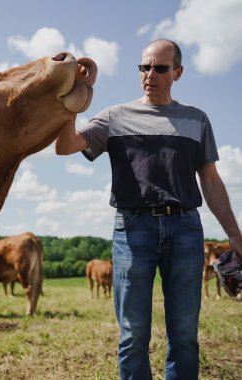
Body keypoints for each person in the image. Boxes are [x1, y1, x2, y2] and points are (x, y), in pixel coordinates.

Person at [55, 39, 242, 380]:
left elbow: (211, 182)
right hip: (132, 230)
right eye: (144, 67)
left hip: (186, 230)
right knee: (132, 335)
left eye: (159, 68)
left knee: (184, 335)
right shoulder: (114, 117)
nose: (149, 75)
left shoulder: (196, 120)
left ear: (178, 73)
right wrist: (74, 97)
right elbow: (65, 145)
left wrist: (235, 235)